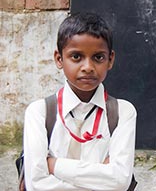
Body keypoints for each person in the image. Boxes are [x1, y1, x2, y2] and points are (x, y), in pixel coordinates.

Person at [23, 12, 136, 191]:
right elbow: (36, 183)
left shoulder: (122, 112)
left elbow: (120, 181)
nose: (88, 67)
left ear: (110, 60)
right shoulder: (40, 112)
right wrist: (102, 176)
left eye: (98, 57)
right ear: (59, 59)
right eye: (76, 57)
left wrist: (54, 165)